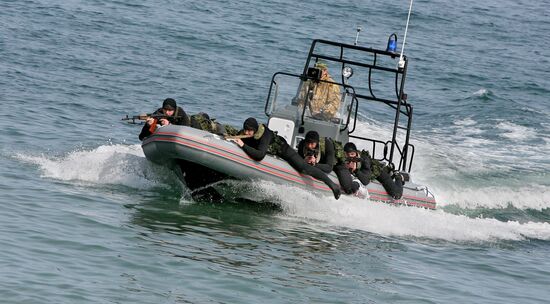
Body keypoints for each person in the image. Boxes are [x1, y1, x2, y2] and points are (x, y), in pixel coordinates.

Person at [228, 117, 341, 200]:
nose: (247, 133)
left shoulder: (264, 134)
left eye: (249, 130)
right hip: (271, 150)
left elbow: (260, 155)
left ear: (255, 129)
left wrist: (242, 145)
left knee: (303, 167)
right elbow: (237, 136)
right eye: (245, 130)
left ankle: (332, 185)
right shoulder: (246, 133)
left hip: (283, 149)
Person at [335, 142, 404, 199]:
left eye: (352, 154)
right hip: (365, 173)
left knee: (396, 194)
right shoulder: (344, 159)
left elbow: (365, 180)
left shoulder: (364, 160)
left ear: (356, 154)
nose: (350, 157)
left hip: (377, 171)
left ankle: (398, 177)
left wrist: (356, 170)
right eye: (347, 155)